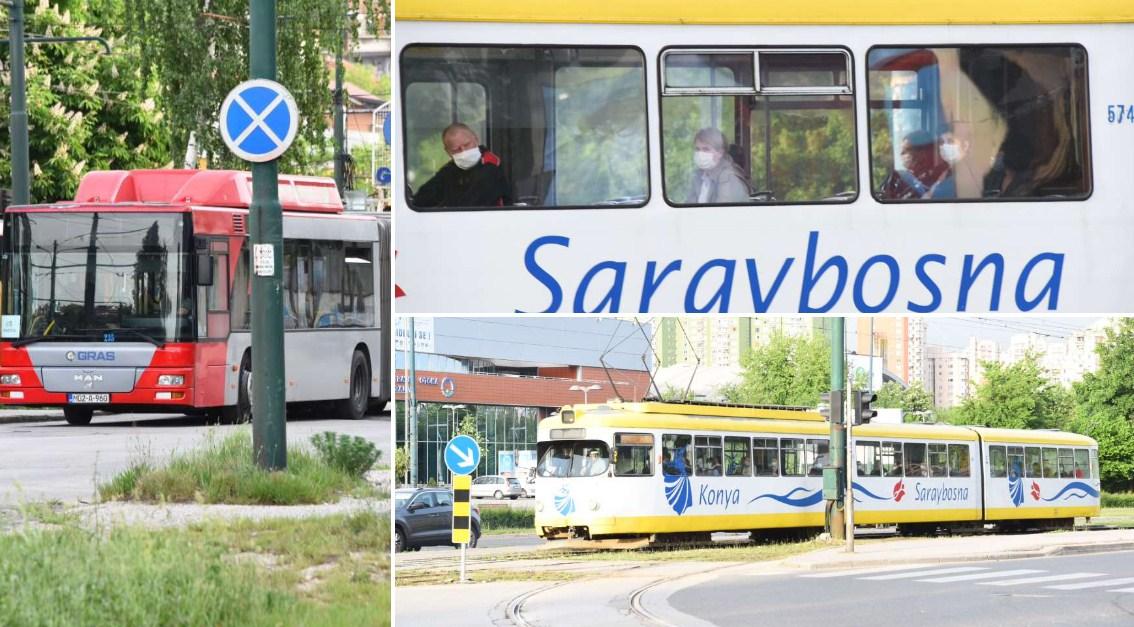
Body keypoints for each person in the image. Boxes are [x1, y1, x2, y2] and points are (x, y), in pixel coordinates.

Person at [413, 122, 512, 208]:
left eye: (467, 145)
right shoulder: (450, 170)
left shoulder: (490, 165)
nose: (463, 151)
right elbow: (422, 199)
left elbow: (469, 205)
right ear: (448, 152)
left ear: (476, 139)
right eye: (456, 149)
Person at [878, 129, 950, 200]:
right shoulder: (897, 178)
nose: (901, 154)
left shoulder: (945, 176)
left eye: (906, 150)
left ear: (923, 152)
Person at [686, 128, 751, 204]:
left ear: (720, 153)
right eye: (697, 149)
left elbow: (721, 212)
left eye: (706, 149)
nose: (700, 153)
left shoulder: (728, 177)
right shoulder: (699, 176)